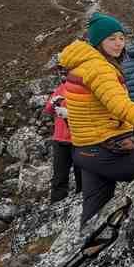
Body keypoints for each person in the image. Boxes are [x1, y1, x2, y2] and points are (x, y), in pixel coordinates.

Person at [59, 12, 134, 226]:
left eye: (121, 38)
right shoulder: (99, 69)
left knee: (93, 215)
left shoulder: (82, 64)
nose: (118, 44)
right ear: (98, 41)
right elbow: (121, 105)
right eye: (111, 39)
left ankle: (87, 255)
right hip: (105, 149)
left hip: (85, 150)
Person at [43, 70, 82, 203]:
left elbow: (88, 112)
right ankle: (56, 208)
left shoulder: (83, 89)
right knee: (59, 178)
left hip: (79, 139)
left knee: (82, 177)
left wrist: (70, 113)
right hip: (60, 140)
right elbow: (48, 110)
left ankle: (80, 206)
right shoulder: (60, 88)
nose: (65, 75)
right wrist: (53, 103)